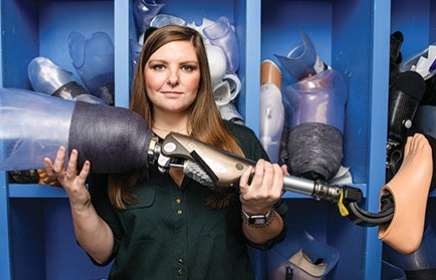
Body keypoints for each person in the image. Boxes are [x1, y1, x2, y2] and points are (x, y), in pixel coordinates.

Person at [44, 24, 287, 279]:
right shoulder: (112, 144)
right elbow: (102, 252)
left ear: (202, 76)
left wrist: (257, 211)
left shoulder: (240, 141)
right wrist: (80, 202)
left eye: (187, 67)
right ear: (143, 74)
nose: (173, 79)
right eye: (159, 66)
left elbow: (267, 237)